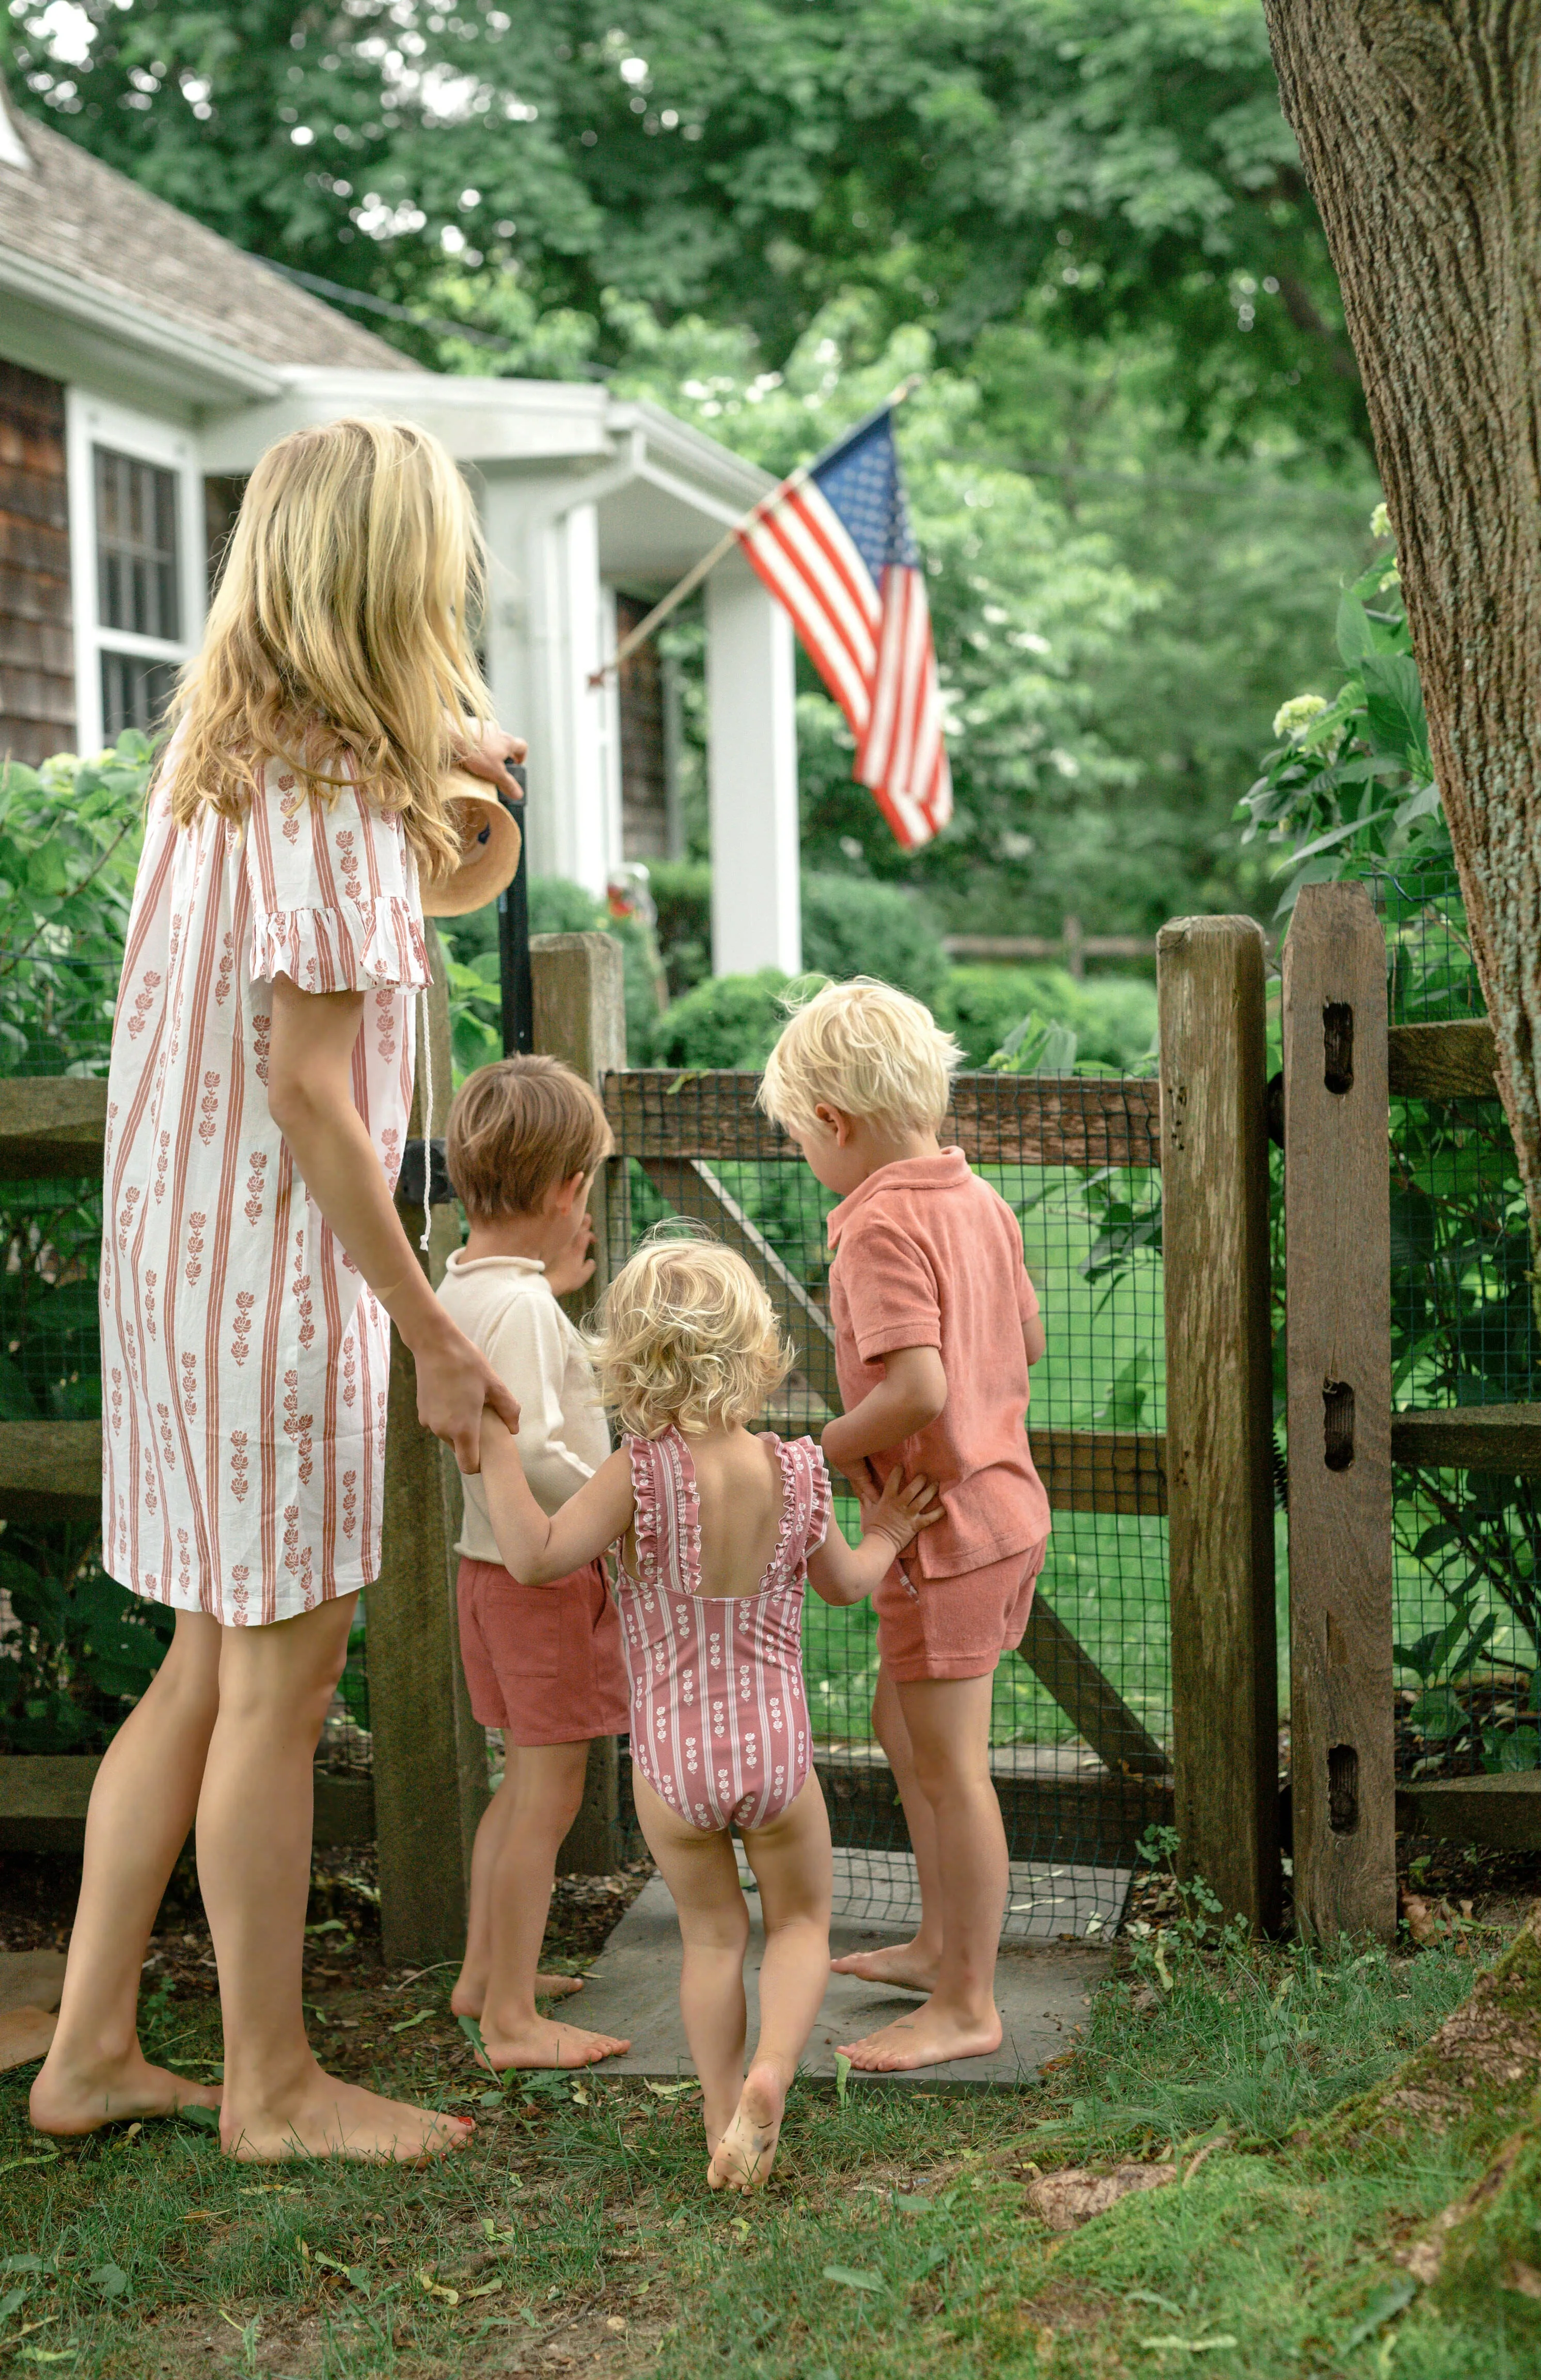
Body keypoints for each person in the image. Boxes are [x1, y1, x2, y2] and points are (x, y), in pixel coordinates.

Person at [30, 416, 524, 2162]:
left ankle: (89, 2045)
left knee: (202, 1663)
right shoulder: (321, 788)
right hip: (275, 1282)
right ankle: (271, 2083)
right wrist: (441, 1336)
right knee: (280, 1680)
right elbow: (319, 1095)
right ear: (391, 574)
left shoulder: (230, 764)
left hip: (181, 1276)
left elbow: (421, 897)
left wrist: (467, 783)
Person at [473, 1234, 941, 2188]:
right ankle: (776, 2072)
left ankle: (720, 2111)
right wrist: (888, 1531)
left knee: (712, 1938)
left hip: (673, 1764)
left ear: (632, 1362)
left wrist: (489, 1446)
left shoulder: (636, 1477)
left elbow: (532, 1558)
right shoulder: (800, 1470)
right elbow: (848, 1584)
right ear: (760, 1355)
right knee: (804, 1922)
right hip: (776, 1752)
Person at [759, 977, 1051, 2073]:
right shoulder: (979, 1200)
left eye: (801, 1142)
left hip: (944, 1535)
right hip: (1005, 1512)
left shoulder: (878, 1224)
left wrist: (809, 1453)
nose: (808, 1161)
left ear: (834, 1124)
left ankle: (969, 2000)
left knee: (950, 1766)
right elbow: (1022, 1342)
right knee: (903, 1727)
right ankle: (939, 1944)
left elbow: (918, 1390)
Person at [436, 1056, 632, 2072]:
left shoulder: (465, 1286)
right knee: (547, 1799)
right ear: (566, 1191)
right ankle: (511, 2019)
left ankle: (485, 1976)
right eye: (587, 1186)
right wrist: (627, 1496)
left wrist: (551, 1292)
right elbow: (550, 1456)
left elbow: (509, 1358)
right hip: (542, 1580)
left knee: (520, 1793)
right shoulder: (519, 1311)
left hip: (486, 1576)